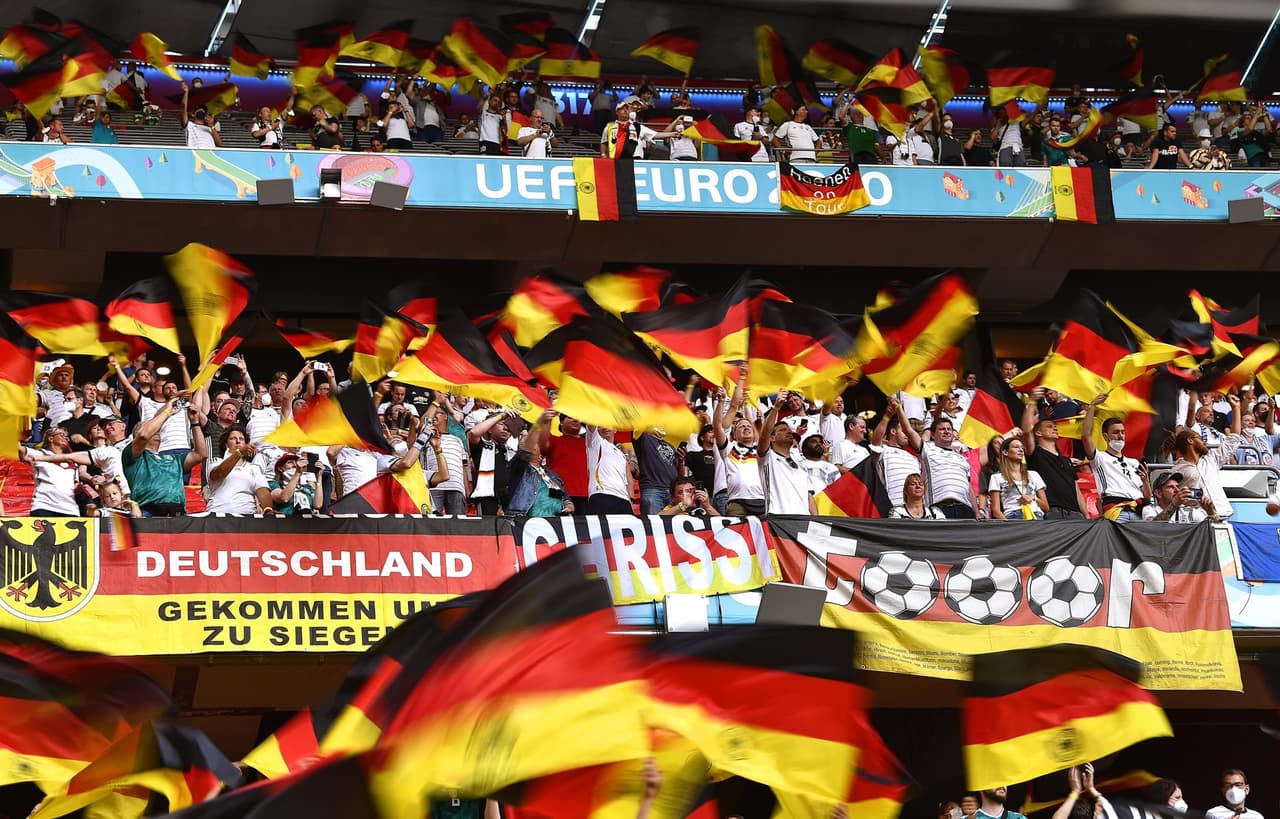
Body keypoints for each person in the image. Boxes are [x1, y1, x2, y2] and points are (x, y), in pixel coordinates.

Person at [123, 398, 207, 517]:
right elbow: (143, 436)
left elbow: (201, 454)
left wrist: (195, 422)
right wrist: (168, 412)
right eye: (152, 428)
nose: (157, 430)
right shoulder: (133, 456)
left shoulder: (174, 459)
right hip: (148, 512)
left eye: (158, 429)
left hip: (177, 513)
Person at [1082, 395, 1150, 521]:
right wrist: (1092, 407)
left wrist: (1146, 482)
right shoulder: (1099, 458)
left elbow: (1148, 497)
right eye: (1116, 432)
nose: (1120, 436)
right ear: (1105, 436)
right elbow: (1086, 436)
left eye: (1123, 432)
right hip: (1116, 511)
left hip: (1139, 512)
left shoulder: (1134, 463)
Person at [505, 412, 573, 517]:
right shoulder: (519, 468)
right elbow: (525, 450)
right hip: (527, 520)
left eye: (535, 442)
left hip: (555, 520)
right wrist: (540, 422)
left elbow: (565, 497)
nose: (531, 443)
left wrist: (568, 505)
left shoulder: (551, 474)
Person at [758, 395, 818, 515]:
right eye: (782, 430)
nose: (789, 432)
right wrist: (776, 407)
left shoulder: (800, 461)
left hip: (804, 518)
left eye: (789, 430)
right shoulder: (767, 457)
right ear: (772, 438)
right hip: (778, 517)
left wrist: (816, 520)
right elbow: (764, 435)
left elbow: (809, 494)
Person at [205, 428, 275, 515]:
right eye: (233, 438)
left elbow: (263, 491)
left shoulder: (254, 468)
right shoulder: (216, 462)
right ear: (226, 444)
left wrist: (268, 509)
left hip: (247, 516)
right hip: (217, 513)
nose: (238, 441)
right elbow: (219, 473)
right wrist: (239, 453)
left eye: (241, 439)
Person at [988, 436, 1048, 520]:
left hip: (1036, 516)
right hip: (1013, 516)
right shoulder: (996, 477)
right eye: (1016, 447)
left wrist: (1034, 498)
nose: (1021, 450)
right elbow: (996, 510)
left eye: (1022, 447)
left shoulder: (1034, 474)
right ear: (1005, 452)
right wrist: (1009, 525)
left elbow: (1046, 508)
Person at [586, 424, 633, 514]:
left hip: (624, 500)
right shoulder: (595, 443)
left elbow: (625, 481)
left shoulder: (621, 454)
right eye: (600, 425)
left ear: (615, 429)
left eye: (608, 424)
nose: (604, 427)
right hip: (602, 494)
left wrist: (629, 501)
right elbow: (591, 423)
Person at [1142, 471, 1207, 523]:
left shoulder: (1187, 511)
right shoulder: (1150, 509)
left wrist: (1210, 513)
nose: (1177, 490)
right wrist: (1174, 504)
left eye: (1177, 486)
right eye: (1171, 487)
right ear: (1158, 493)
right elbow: (1153, 527)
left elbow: (1208, 526)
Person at [268, 452, 318, 516]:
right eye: (290, 462)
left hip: (308, 520)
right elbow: (284, 498)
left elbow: (318, 505)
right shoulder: (273, 484)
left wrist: (319, 477)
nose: (295, 465)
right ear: (280, 468)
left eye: (296, 462)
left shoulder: (306, 487)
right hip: (285, 520)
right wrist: (297, 473)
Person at [178, 83, 222, 148]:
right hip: (195, 152)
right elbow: (183, 109)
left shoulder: (210, 128)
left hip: (210, 153)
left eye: (203, 110)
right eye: (198, 109)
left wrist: (212, 126)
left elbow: (219, 143)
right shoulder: (189, 125)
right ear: (193, 114)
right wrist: (186, 92)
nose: (201, 110)